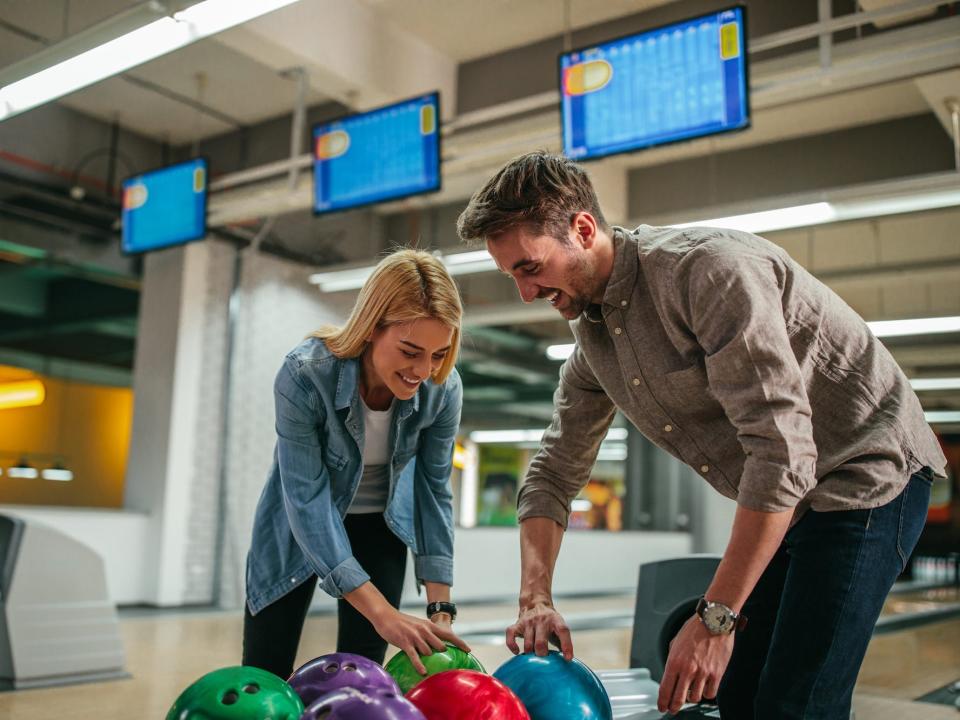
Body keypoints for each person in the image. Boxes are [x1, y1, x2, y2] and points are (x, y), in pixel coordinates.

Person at [456, 152, 947, 720]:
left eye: (529, 267)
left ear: (583, 230)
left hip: (867, 470)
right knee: (738, 698)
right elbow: (552, 472)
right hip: (796, 501)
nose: (524, 292)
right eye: (512, 274)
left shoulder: (707, 272)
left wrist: (716, 619)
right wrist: (536, 596)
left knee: (795, 703)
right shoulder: (593, 344)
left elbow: (780, 449)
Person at [243, 248, 469, 680]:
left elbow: (433, 490)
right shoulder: (304, 375)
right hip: (297, 528)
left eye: (439, 354)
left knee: (363, 676)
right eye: (409, 351)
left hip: (379, 527)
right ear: (370, 328)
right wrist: (382, 612)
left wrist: (440, 608)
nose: (424, 370)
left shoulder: (443, 388)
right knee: (266, 671)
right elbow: (306, 499)